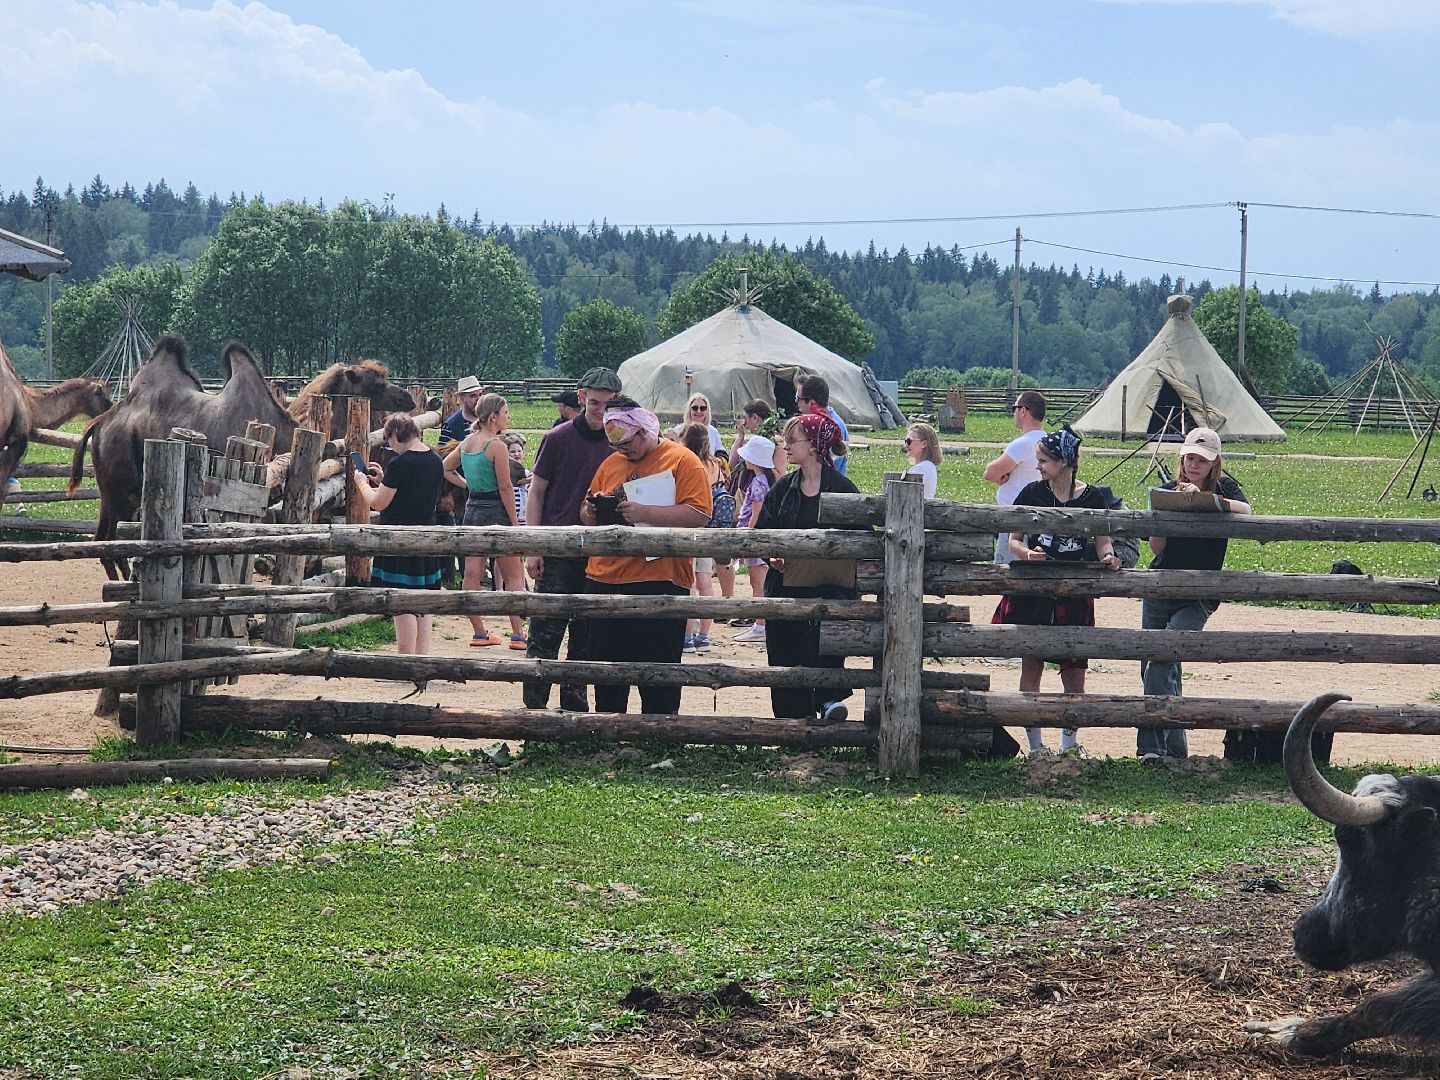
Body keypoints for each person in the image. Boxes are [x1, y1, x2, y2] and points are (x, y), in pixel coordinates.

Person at [578, 401, 712, 714]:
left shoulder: (682, 460)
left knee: (659, 669)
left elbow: (699, 513)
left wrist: (645, 513)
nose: (623, 450)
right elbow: (585, 517)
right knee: (607, 669)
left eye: (627, 443)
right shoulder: (610, 463)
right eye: (616, 445)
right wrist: (591, 510)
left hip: (659, 579)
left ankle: (659, 735)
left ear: (643, 430)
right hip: (604, 578)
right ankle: (610, 731)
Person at [997, 425, 1121, 758]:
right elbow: (1013, 539)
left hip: (1074, 591)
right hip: (1034, 591)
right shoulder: (1032, 494)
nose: (1038, 466)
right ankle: (1036, 745)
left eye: (1044, 460)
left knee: (1075, 670)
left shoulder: (1093, 498)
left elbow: (1102, 541)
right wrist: (1027, 555)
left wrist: (1108, 558)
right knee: (1032, 665)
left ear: (1064, 462)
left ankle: (1069, 741)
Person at [1139, 426, 1252, 761]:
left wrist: (1206, 501)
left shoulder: (1225, 488)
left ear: (1214, 462)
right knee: (1156, 665)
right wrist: (1164, 516)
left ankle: (1151, 749)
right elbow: (1156, 546)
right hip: (1161, 583)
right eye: (1190, 457)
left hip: (1200, 591)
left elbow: (1246, 511)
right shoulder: (1166, 489)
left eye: (1201, 459)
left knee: (1163, 655)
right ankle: (1176, 750)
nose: (1194, 464)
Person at [522, 366, 623, 713]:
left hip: (600, 555)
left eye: (608, 404)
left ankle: (575, 718)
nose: (601, 410)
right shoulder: (558, 438)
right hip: (558, 549)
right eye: (595, 403)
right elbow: (536, 492)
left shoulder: (621, 443)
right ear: (581, 397)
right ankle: (534, 715)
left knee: (586, 640)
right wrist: (534, 546)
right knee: (543, 637)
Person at [755, 413, 860, 722]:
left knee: (825, 646)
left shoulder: (843, 488)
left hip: (830, 590)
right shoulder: (783, 488)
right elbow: (763, 533)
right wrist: (771, 556)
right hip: (786, 587)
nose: (786, 446)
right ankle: (792, 720)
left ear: (814, 446)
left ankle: (828, 701)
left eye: (793, 439)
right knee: (786, 651)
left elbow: (862, 539)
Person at [351, 412, 445, 655]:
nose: (389, 445)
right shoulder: (435, 459)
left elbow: (378, 503)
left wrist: (362, 483)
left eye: (388, 439)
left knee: (402, 603)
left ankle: (404, 660)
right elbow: (412, 491)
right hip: (427, 536)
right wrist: (383, 479)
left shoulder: (400, 464)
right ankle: (421, 658)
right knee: (423, 603)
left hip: (399, 540)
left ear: (395, 434)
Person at [442, 393, 527, 650]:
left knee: (471, 574)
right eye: (505, 413)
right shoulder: (496, 446)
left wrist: (467, 484)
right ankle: (518, 635)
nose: (508, 417)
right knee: (513, 575)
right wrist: (514, 523)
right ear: (493, 417)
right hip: (496, 511)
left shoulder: (467, 442)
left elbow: (445, 467)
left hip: (472, 510)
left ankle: (479, 632)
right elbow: (505, 487)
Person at [983, 390, 1047, 564]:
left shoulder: (1023, 443)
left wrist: (999, 476)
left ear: (1024, 411)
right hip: (1042, 516)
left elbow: (990, 473)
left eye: (1015, 408)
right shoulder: (1048, 440)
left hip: (1015, 518)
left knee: (1007, 572)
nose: (1014, 413)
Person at [679, 421, 726, 655]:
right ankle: (703, 635)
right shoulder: (715, 464)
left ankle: (687, 636)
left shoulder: (685, 463)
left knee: (690, 582)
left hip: (689, 525)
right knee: (705, 581)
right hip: (709, 527)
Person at [732, 435, 777, 645]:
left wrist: (749, 534)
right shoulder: (767, 479)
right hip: (759, 536)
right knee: (758, 581)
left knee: (757, 582)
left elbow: (756, 509)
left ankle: (761, 624)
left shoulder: (758, 482)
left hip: (754, 537)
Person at [795, 375, 848, 476]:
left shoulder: (833, 426)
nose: (796, 403)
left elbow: (827, 468)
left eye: (798, 398)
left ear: (812, 402)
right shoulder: (813, 424)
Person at [440, 375, 483, 446]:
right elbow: (443, 453)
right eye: (473, 396)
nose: (478, 399)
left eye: (480, 394)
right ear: (462, 399)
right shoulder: (451, 426)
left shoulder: (489, 419)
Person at [903, 422, 941, 498]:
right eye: (905, 441)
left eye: (909, 441)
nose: (905, 445)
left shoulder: (919, 469)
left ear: (924, 444)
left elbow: (906, 497)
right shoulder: (929, 466)